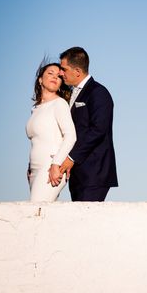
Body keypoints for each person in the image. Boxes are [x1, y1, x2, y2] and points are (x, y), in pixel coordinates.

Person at [50, 47, 118, 201]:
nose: (60, 73)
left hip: (94, 173)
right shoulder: (70, 93)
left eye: (63, 69)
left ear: (78, 71)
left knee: (88, 221)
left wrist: (71, 158)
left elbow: (98, 130)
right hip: (77, 174)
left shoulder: (98, 93)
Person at [26, 61, 77, 201]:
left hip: (51, 167)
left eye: (59, 76)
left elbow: (71, 136)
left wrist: (56, 164)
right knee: (41, 215)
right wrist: (29, 166)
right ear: (40, 79)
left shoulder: (59, 104)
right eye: (50, 73)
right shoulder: (35, 108)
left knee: (35, 209)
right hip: (35, 170)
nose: (55, 77)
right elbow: (38, 140)